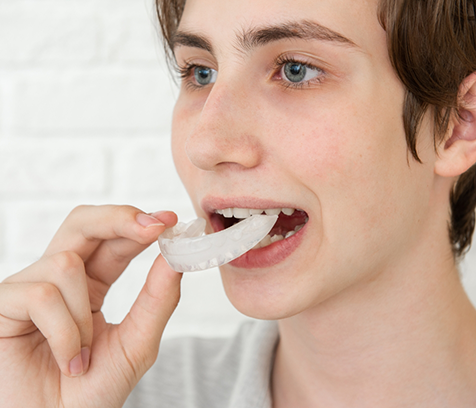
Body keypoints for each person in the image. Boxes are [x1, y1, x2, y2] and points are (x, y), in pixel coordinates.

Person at [1, 0, 476, 406]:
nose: (204, 144)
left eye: (296, 70)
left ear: (459, 124)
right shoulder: (100, 395)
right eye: (200, 72)